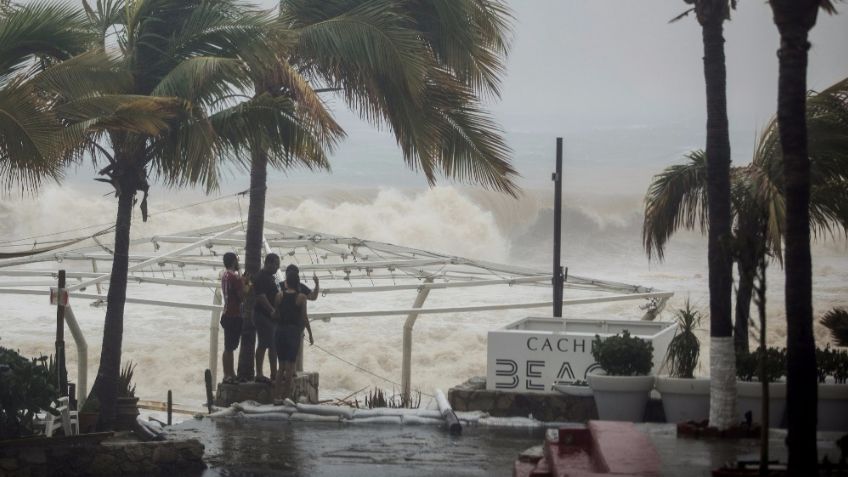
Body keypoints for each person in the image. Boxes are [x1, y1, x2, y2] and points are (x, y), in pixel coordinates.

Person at [274, 265, 314, 401]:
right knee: (290, 368)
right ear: (297, 283)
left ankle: (276, 397)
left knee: (281, 368)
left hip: (279, 332)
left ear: (286, 282)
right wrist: (310, 333)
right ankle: (286, 397)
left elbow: (276, 314)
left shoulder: (279, 295)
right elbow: (304, 317)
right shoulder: (301, 298)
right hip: (293, 333)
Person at [253, 253, 280, 383]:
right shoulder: (261, 276)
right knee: (263, 344)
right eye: (276, 264)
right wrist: (272, 310)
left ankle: (274, 373)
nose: (277, 268)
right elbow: (261, 297)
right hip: (262, 315)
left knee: (273, 345)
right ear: (268, 263)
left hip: (270, 317)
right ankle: (259, 373)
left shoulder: (270, 277)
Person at [220, 252, 244, 384]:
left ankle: (229, 373)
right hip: (234, 315)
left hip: (226, 313)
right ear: (234, 261)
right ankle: (229, 374)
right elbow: (242, 296)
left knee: (228, 347)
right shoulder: (234, 277)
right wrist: (245, 282)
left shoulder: (224, 275)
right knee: (230, 347)